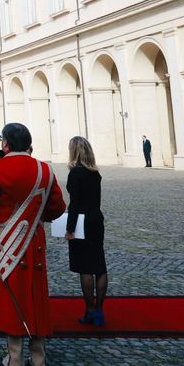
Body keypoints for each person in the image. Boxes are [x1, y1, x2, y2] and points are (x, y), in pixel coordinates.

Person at [0, 123, 65, 366]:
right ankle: (39, 358)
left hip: (7, 243)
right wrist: (37, 217)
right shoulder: (43, 169)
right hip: (34, 241)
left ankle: (14, 358)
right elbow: (58, 207)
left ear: (5, 144)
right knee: (36, 297)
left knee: (11, 297)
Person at [65, 136, 108, 327]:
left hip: (82, 222)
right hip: (96, 219)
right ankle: (99, 310)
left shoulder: (75, 174)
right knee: (99, 265)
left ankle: (90, 310)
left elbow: (74, 204)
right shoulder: (95, 173)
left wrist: (69, 229)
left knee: (85, 267)